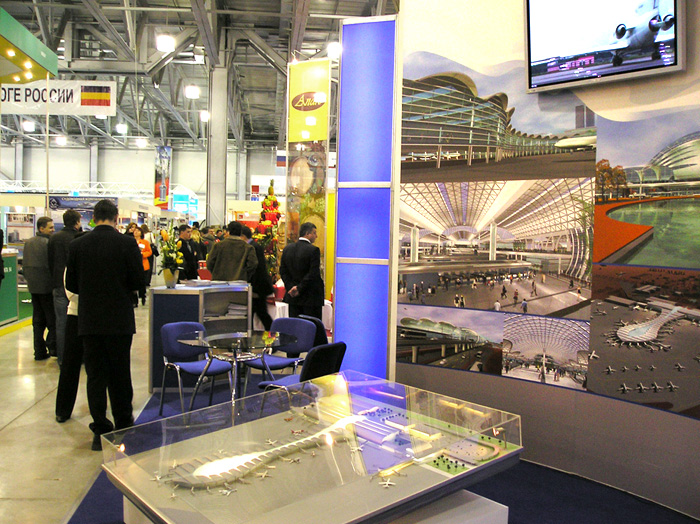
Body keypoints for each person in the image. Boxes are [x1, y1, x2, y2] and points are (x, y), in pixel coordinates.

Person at [65, 199, 144, 451]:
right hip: (119, 319)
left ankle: (100, 428)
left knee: (95, 376)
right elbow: (138, 280)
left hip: (90, 320)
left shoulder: (77, 245)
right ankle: (124, 422)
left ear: (93, 217)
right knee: (120, 372)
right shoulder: (127, 243)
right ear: (116, 217)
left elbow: (72, 285)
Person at [55, 233, 85, 423]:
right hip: (75, 316)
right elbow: (71, 293)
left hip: (94, 318)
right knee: (70, 365)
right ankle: (63, 409)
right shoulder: (71, 266)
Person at [48, 209, 82, 365]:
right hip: (75, 286)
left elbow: (50, 261)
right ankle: (78, 357)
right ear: (77, 222)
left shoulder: (54, 238)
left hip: (58, 284)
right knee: (78, 321)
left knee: (61, 323)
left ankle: (63, 359)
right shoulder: (78, 239)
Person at [23, 216, 56, 360]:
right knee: (51, 320)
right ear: (41, 228)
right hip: (47, 287)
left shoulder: (28, 243)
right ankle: (52, 346)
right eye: (50, 227)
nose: (53, 230)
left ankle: (39, 350)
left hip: (33, 286)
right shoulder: (49, 243)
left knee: (37, 320)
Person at [279, 222, 324, 320]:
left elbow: (283, 271)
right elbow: (313, 273)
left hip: (293, 298)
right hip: (310, 298)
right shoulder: (314, 250)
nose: (316, 236)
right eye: (314, 233)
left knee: (295, 326)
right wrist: (299, 288)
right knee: (311, 326)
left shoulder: (287, 249)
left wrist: (291, 287)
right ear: (307, 233)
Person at [241, 225, 274, 330]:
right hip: (257, 287)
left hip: (258, 287)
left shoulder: (253, 247)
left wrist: (254, 289)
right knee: (257, 313)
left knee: (261, 314)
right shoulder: (253, 246)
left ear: (243, 236)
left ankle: (272, 334)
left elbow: (258, 269)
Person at [132, 226, 152, 306]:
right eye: (135, 231)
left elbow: (149, 252)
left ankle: (142, 296)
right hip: (133, 265)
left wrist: (142, 254)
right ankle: (134, 301)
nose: (136, 232)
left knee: (142, 282)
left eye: (138, 231)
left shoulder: (145, 242)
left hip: (143, 264)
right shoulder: (131, 241)